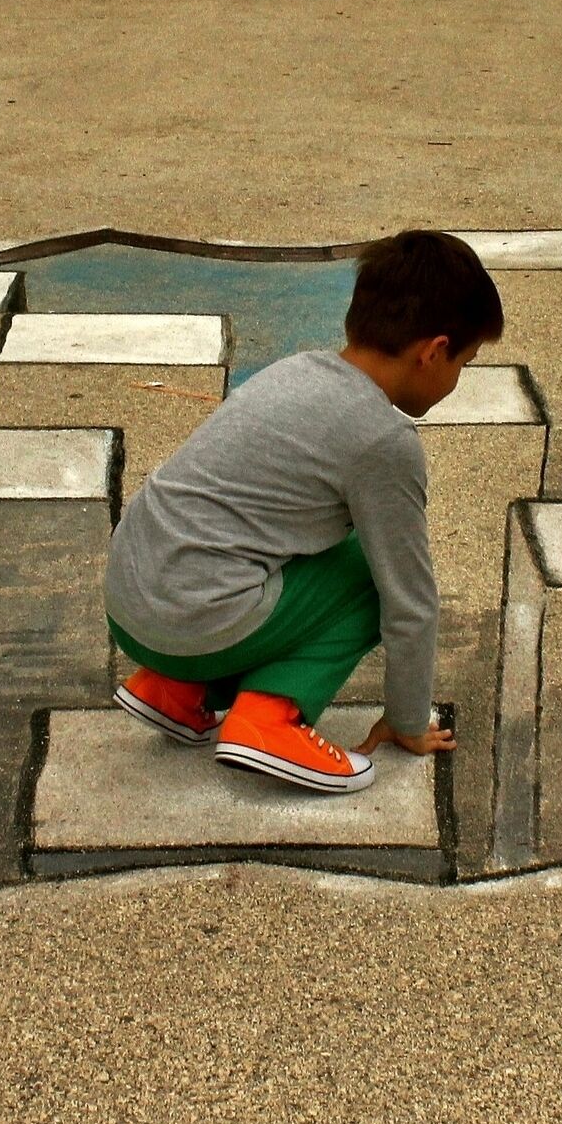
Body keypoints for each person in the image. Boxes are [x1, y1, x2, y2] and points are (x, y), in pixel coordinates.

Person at [104, 231, 501, 794]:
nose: (457, 379)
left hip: (130, 601)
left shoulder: (293, 371)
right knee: (371, 576)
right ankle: (269, 720)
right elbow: (411, 600)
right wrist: (408, 721)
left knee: (295, 548)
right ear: (433, 350)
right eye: (465, 361)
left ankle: (174, 689)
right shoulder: (383, 440)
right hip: (193, 619)